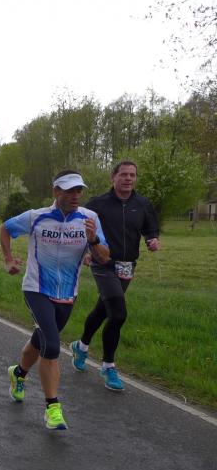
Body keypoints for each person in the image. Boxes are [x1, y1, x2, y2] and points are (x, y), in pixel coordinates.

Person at [0, 170, 110, 430]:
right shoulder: (36, 217)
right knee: (51, 345)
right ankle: (52, 408)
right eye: (69, 190)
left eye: (79, 190)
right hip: (36, 288)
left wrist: (93, 240)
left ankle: (18, 373)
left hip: (67, 293)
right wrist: (8, 260)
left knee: (41, 341)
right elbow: (5, 228)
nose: (76, 196)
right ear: (56, 192)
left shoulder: (90, 219)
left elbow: (104, 257)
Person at [70, 160, 161, 391]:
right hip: (103, 263)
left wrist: (152, 239)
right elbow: (79, 226)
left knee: (104, 310)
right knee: (118, 314)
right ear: (113, 177)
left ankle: (81, 346)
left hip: (127, 266)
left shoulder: (142, 204)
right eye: (124, 174)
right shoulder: (97, 204)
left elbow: (150, 227)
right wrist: (86, 251)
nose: (128, 179)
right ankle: (108, 366)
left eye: (132, 175)